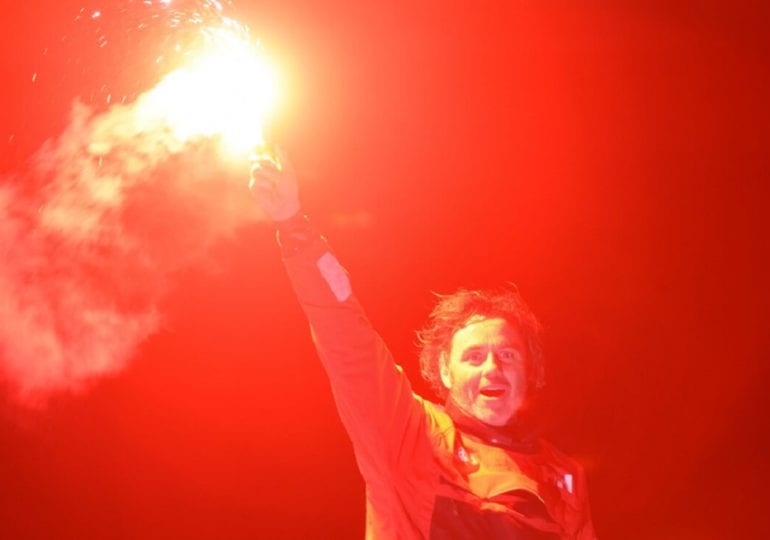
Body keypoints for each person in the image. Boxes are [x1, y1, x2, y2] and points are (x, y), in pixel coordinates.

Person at [250, 151, 596, 539]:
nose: (492, 368)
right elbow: (347, 340)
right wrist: (294, 226)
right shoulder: (409, 436)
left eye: (508, 355)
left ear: (529, 371)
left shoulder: (565, 475)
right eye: (474, 356)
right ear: (445, 372)